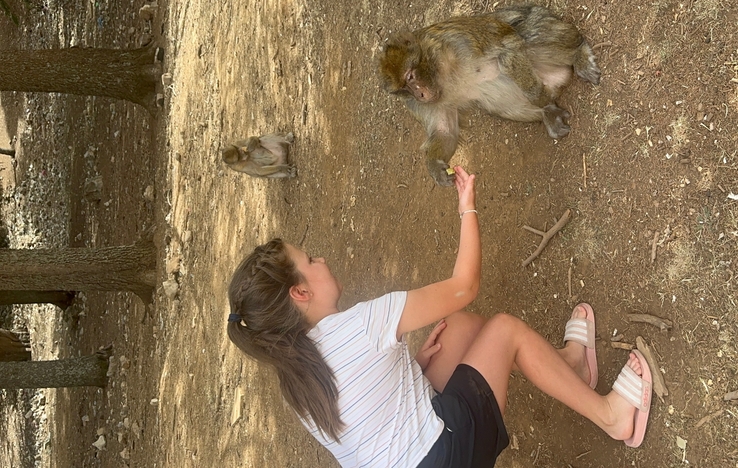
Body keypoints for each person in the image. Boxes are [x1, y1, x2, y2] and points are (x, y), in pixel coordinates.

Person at [226, 166, 653, 468]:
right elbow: (464, 285)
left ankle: (570, 366)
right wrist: (468, 206)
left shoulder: (297, 378)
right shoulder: (358, 325)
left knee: (459, 329)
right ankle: (611, 417)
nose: (320, 258)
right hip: (447, 456)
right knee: (504, 331)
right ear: (301, 292)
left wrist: (413, 371)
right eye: (309, 259)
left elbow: (369, 430)